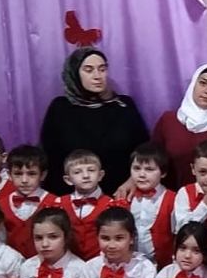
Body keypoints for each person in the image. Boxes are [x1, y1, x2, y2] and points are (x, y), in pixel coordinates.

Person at [41, 47, 151, 196]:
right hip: (72, 197)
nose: (97, 76)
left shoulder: (123, 105)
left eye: (102, 69)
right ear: (75, 74)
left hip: (120, 195)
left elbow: (144, 151)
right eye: (89, 70)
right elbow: (49, 157)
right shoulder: (60, 108)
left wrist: (133, 180)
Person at [49, 150, 111, 260]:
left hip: (101, 262)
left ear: (100, 175)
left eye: (91, 170)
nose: (86, 176)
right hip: (68, 263)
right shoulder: (58, 204)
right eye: (77, 172)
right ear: (68, 180)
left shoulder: (111, 205)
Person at [126, 144, 176, 268]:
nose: (142, 174)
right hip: (130, 265)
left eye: (149, 169)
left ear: (163, 173)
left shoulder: (172, 199)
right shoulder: (126, 198)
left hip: (163, 266)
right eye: (137, 168)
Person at [1, 145, 52, 259]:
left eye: (31, 174)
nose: (24, 180)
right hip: (10, 264)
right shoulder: (0, 205)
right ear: (9, 175)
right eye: (18, 174)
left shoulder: (56, 203)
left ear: (42, 175)